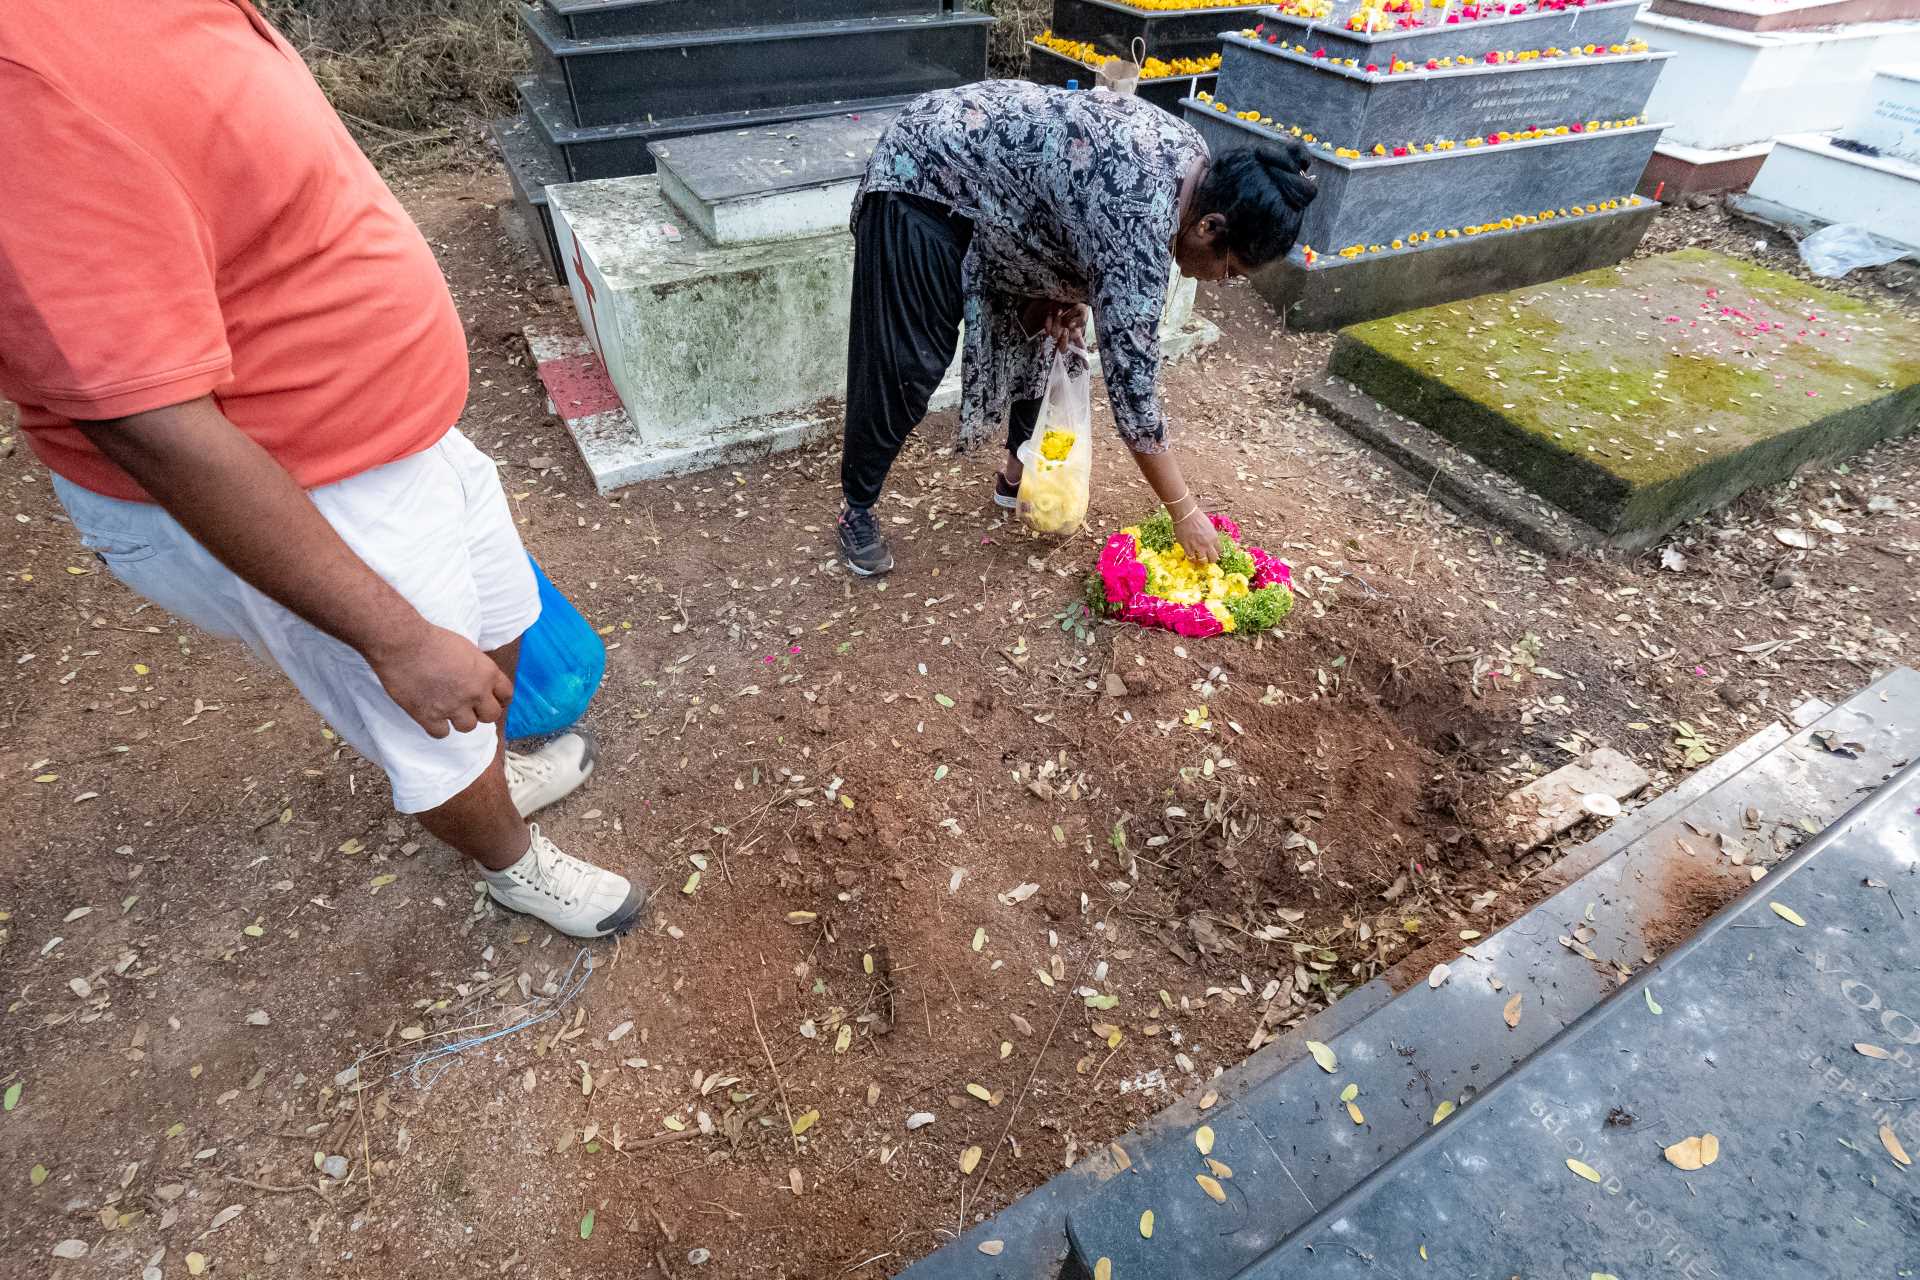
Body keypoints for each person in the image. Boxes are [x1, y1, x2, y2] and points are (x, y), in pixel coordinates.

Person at [0, 0, 642, 939]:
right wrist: (396, 639)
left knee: (498, 621)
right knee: (428, 717)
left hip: (401, 438)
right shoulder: (27, 84)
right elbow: (147, 420)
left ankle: (494, 774)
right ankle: (513, 865)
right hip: (298, 488)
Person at [835, 80, 1317, 577]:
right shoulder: (1142, 221)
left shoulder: (1195, 168)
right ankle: (857, 507)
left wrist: (1071, 291)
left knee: (1045, 334)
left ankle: (1020, 475)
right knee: (908, 363)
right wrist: (1184, 512)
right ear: (1209, 226)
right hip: (924, 173)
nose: (1223, 282)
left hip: (1005, 189)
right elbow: (1135, 396)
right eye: (1231, 269)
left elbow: (1080, 205)